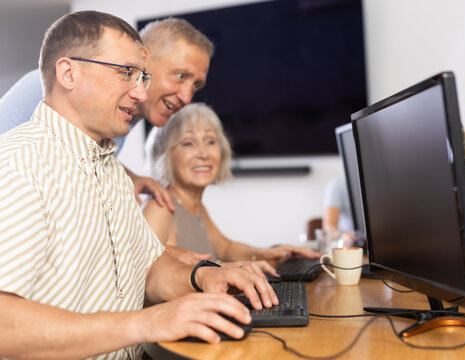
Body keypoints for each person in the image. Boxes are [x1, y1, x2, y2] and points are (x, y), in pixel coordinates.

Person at [0, 11, 278, 359]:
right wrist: (147, 322)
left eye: (142, 77)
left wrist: (202, 277)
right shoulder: (18, 163)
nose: (141, 92)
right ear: (68, 72)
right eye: (127, 73)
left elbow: (147, 266)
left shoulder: (111, 167)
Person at [0, 16, 213, 208]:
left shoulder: (118, 114)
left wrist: (128, 176)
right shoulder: (64, 86)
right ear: (144, 58)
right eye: (181, 76)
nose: (187, 98)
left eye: (196, 86)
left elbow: (76, 153)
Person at [142, 103, 320, 275]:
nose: (203, 153)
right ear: (164, 154)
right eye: (188, 143)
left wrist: (267, 252)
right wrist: (234, 268)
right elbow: (146, 281)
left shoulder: (196, 207)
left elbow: (225, 248)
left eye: (210, 141)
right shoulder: (160, 207)